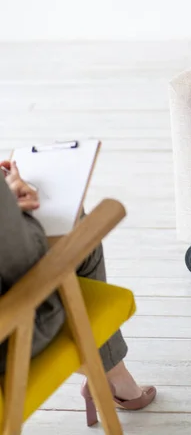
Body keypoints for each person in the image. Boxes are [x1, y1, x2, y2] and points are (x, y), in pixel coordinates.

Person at [0, 159, 156, 422]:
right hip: (16, 331)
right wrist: (17, 213)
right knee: (74, 223)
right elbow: (24, 257)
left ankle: (112, 375)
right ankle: (114, 376)